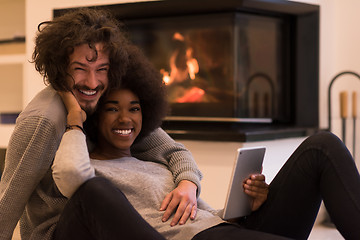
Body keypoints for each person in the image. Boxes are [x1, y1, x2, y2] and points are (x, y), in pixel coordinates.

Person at [53, 44, 360, 239]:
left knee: (322, 145)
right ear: (94, 117)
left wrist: (245, 209)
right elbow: (71, 174)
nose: (125, 119)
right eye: (112, 109)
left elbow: (196, 203)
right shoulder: (92, 174)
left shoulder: (150, 157)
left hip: (224, 226)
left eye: (134, 109)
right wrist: (74, 117)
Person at [0, 8, 202, 240]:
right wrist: (74, 119)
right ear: (58, 67)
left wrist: (188, 183)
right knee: (94, 190)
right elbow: (7, 203)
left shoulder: (103, 99)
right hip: (60, 231)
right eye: (80, 69)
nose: (92, 82)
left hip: (107, 227)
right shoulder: (42, 122)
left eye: (101, 70)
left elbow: (172, 151)